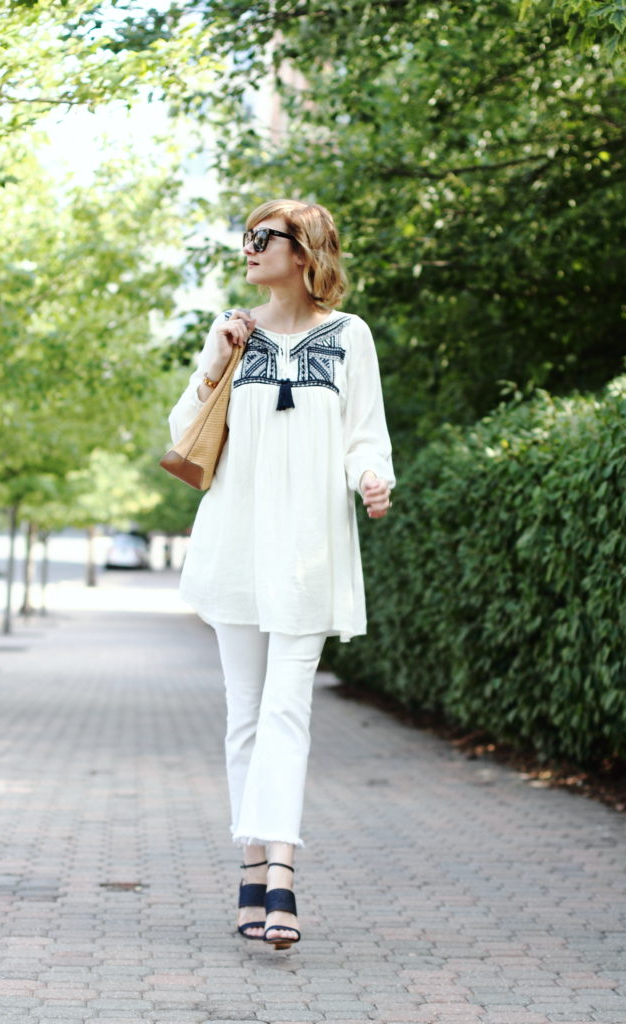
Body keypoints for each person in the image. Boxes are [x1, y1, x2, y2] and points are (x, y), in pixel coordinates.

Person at [168, 199, 394, 949]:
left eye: (262, 238)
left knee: (285, 710)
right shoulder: (234, 328)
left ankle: (281, 874)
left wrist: (370, 477)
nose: (248, 249)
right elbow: (182, 432)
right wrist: (214, 355)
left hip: (308, 550)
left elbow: (364, 432)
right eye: (245, 237)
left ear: (304, 252)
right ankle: (251, 862)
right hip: (237, 541)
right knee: (244, 712)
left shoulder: (348, 336)